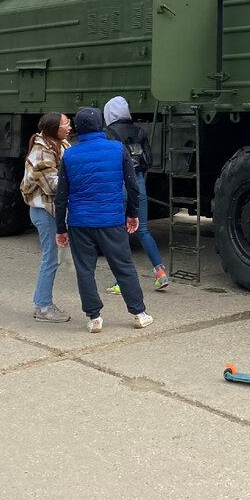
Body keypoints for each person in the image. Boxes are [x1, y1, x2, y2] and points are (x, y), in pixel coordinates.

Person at [55, 107, 153, 333]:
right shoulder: (118, 149)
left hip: (80, 222)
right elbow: (132, 186)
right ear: (101, 125)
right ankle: (138, 313)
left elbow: (61, 197)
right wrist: (132, 214)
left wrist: (61, 227)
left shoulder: (70, 154)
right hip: (112, 219)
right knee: (124, 267)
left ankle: (94, 317)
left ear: (78, 128)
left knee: (85, 270)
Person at [102, 96, 169, 293]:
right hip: (138, 182)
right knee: (143, 230)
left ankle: (120, 281)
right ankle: (160, 272)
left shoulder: (108, 133)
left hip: (118, 183)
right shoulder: (140, 131)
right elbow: (148, 160)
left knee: (119, 233)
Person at [21, 111, 73, 322]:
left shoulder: (60, 145)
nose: (70, 126)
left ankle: (42, 303)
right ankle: (43, 307)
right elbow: (54, 186)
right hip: (44, 212)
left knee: (53, 258)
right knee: (51, 259)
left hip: (52, 211)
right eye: (66, 124)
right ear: (54, 129)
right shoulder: (42, 153)